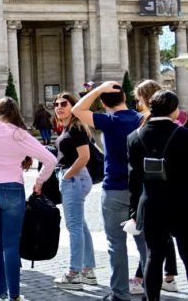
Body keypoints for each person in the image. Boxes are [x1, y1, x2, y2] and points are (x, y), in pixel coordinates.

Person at [71, 81, 148, 301]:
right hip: (140, 189)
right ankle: (150, 289)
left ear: (103, 102)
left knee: (116, 244)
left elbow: (78, 110)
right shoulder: (141, 118)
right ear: (125, 98)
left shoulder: (109, 121)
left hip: (114, 187)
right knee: (144, 244)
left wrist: (97, 90)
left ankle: (120, 293)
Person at [0, 97, 57, 301]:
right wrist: (39, 181)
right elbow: (50, 159)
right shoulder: (18, 134)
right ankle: (14, 295)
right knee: (10, 245)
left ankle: (1, 294)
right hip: (11, 187)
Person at [128, 90, 188, 301]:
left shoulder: (134, 137)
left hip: (151, 203)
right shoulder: (184, 134)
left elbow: (133, 180)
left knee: (154, 256)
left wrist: (134, 211)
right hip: (182, 203)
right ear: (174, 109)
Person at [52, 93, 97, 290]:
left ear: (73, 106)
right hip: (75, 178)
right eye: (56, 104)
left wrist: (67, 175)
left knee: (74, 227)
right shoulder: (69, 127)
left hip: (74, 179)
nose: (59, 107)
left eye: (64, 104)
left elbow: (84, 156)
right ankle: (88, 270)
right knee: (81, 225)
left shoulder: (77, 128)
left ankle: (74, 273)